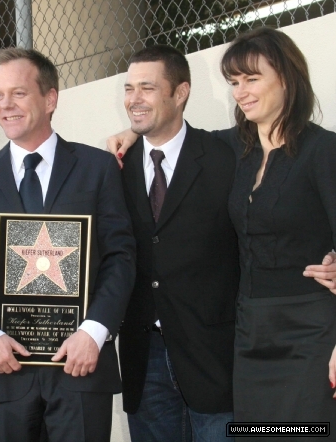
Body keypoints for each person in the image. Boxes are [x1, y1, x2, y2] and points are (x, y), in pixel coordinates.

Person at [108, 28, 336, 431]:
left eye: (251, 79)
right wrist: (132, 132)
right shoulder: (234, 147)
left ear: (286, 77)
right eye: (233, 82)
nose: (240, 92)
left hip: (309, 332)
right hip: (249, 337)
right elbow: (174, 140)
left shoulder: (324, 150)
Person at [0, 48, 136, 442]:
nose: (5, 106)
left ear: (50, 99)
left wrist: (95, 331)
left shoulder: (97, 169)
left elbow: (121, 257)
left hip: (79, 368)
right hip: (3, 371)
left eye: (18, 93)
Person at [114, 45, 239, 441]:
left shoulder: (225, 156)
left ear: (180, 92)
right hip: (142, 357)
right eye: (130, 88)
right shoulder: (113, 167)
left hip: (215, 356)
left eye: (147, 88)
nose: (134, 99)